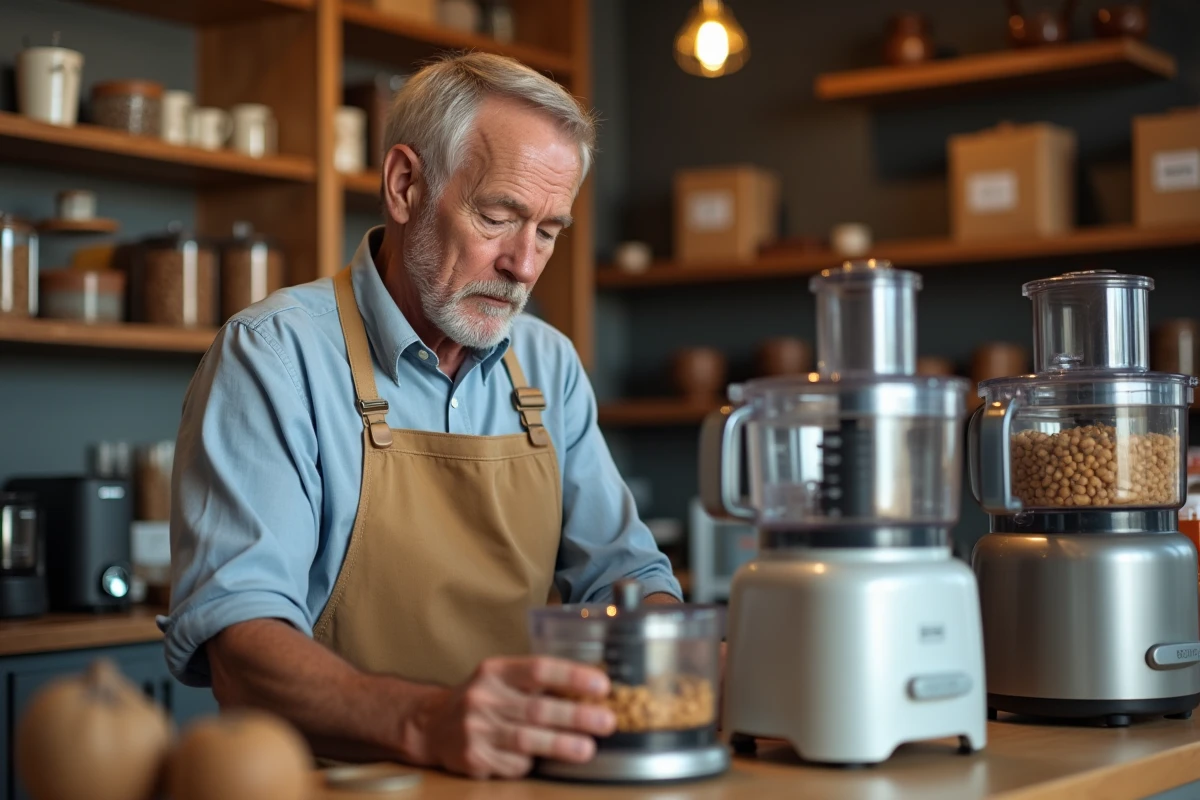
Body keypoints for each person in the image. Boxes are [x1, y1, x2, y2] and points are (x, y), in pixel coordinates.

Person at [162, 52, 682, 779]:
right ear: (405, 185)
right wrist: (426, 720)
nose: (524, 264)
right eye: (499, 217)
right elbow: (239, 644)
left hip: (523, 781)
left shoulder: (549, 364)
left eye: (549, 231)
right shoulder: (275, 356)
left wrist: (675, 660)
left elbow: (625, 575)